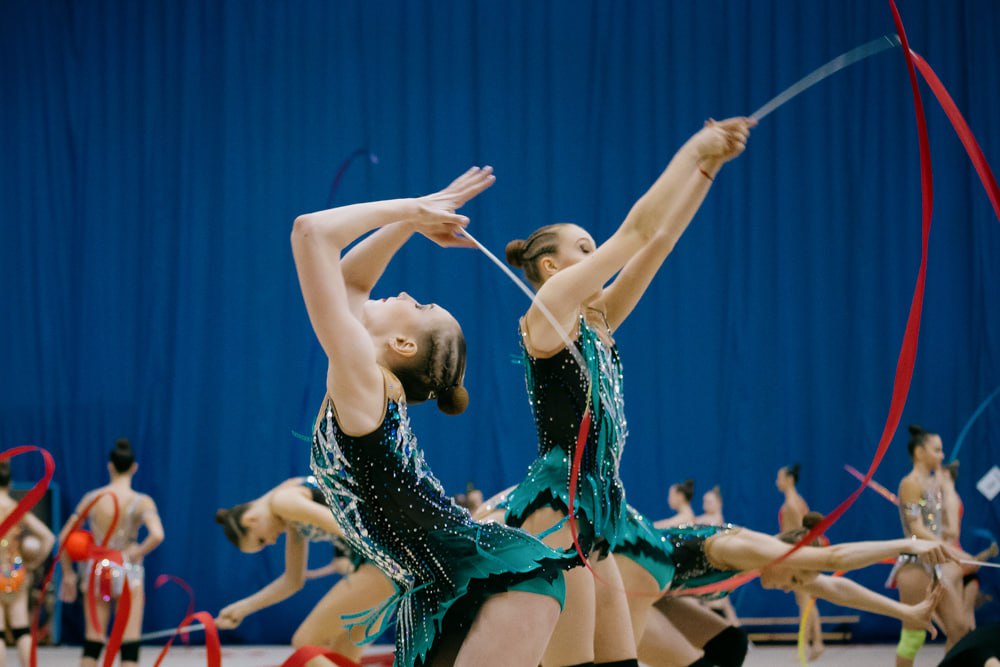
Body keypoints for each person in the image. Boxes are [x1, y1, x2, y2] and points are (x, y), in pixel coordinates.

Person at [293, 166, 572, 667]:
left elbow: (310, 232)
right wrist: (412, 222)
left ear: (403, 344)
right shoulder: (365, 387)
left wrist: (414, 209)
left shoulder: (364, 383)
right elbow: (350, 279)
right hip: (433, 589)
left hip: (498, 576)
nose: (403, 294)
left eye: (419, 305)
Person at [502, 117, 754, 667]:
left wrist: (707, 169)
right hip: (557, 510)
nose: (599, 255)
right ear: (551, 267)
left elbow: (658, 242)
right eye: (586, 248)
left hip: (597, 513)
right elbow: (637, 232)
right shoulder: (547, 313)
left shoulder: (596, 323)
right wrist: (693, 147)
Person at [214, 476, 394, 661]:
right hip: (384, 558)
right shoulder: (288, 509)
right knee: (342, 657)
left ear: (250, 520)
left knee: (306, 645)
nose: (271, 541)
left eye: (261, 540)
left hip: (384, 558)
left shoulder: (282, 501)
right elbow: (292, 581)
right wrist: (242, 608)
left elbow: (347, 529)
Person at [58, 438, 164, 667]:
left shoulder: (92, 498)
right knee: (129, 643)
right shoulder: (141, 501)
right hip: (128, 570)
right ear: (134, 467)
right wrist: (137, 551)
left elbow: (64, 536)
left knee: (93, 640)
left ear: (110, 466)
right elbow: (157, 534)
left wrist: (68, 573)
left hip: (98, 569)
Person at [891, 425, 971, 667]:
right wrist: (947, 548)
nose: (942, 455)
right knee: (913, 637)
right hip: (915, 565)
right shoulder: (910, 483)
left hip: (936, 562)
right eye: (936, 450)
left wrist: (948, 489)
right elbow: (915, 527)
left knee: (960, 629)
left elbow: (949, 529)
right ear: (919, 452)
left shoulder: (935, 485)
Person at [0, 460, 55, 667]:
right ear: (10, 482)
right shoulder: (17, 509)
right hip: (15, 570)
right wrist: (33, 563)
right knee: (21, 629)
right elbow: (48, 537)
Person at [775, 462, 822, 659]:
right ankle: (817, 643)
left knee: (804, 601)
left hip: (798, 556)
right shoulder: (798, 501)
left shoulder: (791, 505)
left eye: (779, 478)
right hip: (801, 554)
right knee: (807, 600)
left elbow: (797, 534)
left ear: (789, 479)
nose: (776, 482)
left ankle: (804, 645)